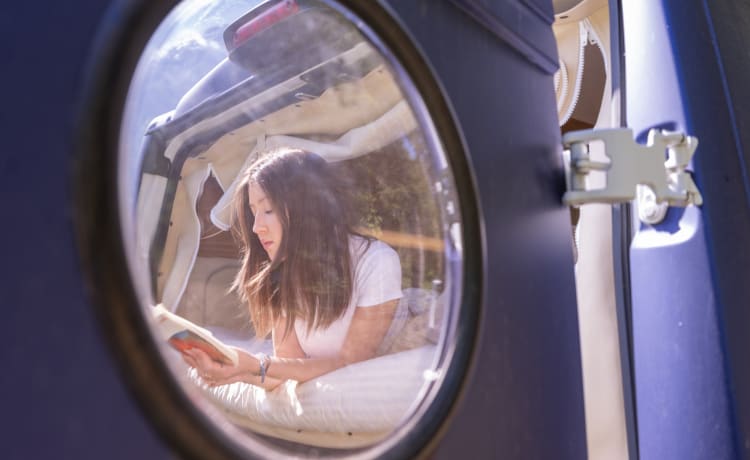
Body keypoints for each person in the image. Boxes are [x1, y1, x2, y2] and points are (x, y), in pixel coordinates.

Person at [182, 148, 403, 389]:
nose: (256, 227)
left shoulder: (376, 261)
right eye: (254, 213)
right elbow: (289, 366)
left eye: (268, 210)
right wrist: (236, 372)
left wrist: (256, 365)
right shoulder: (283, 272)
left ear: (308, 209)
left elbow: (351, 362)